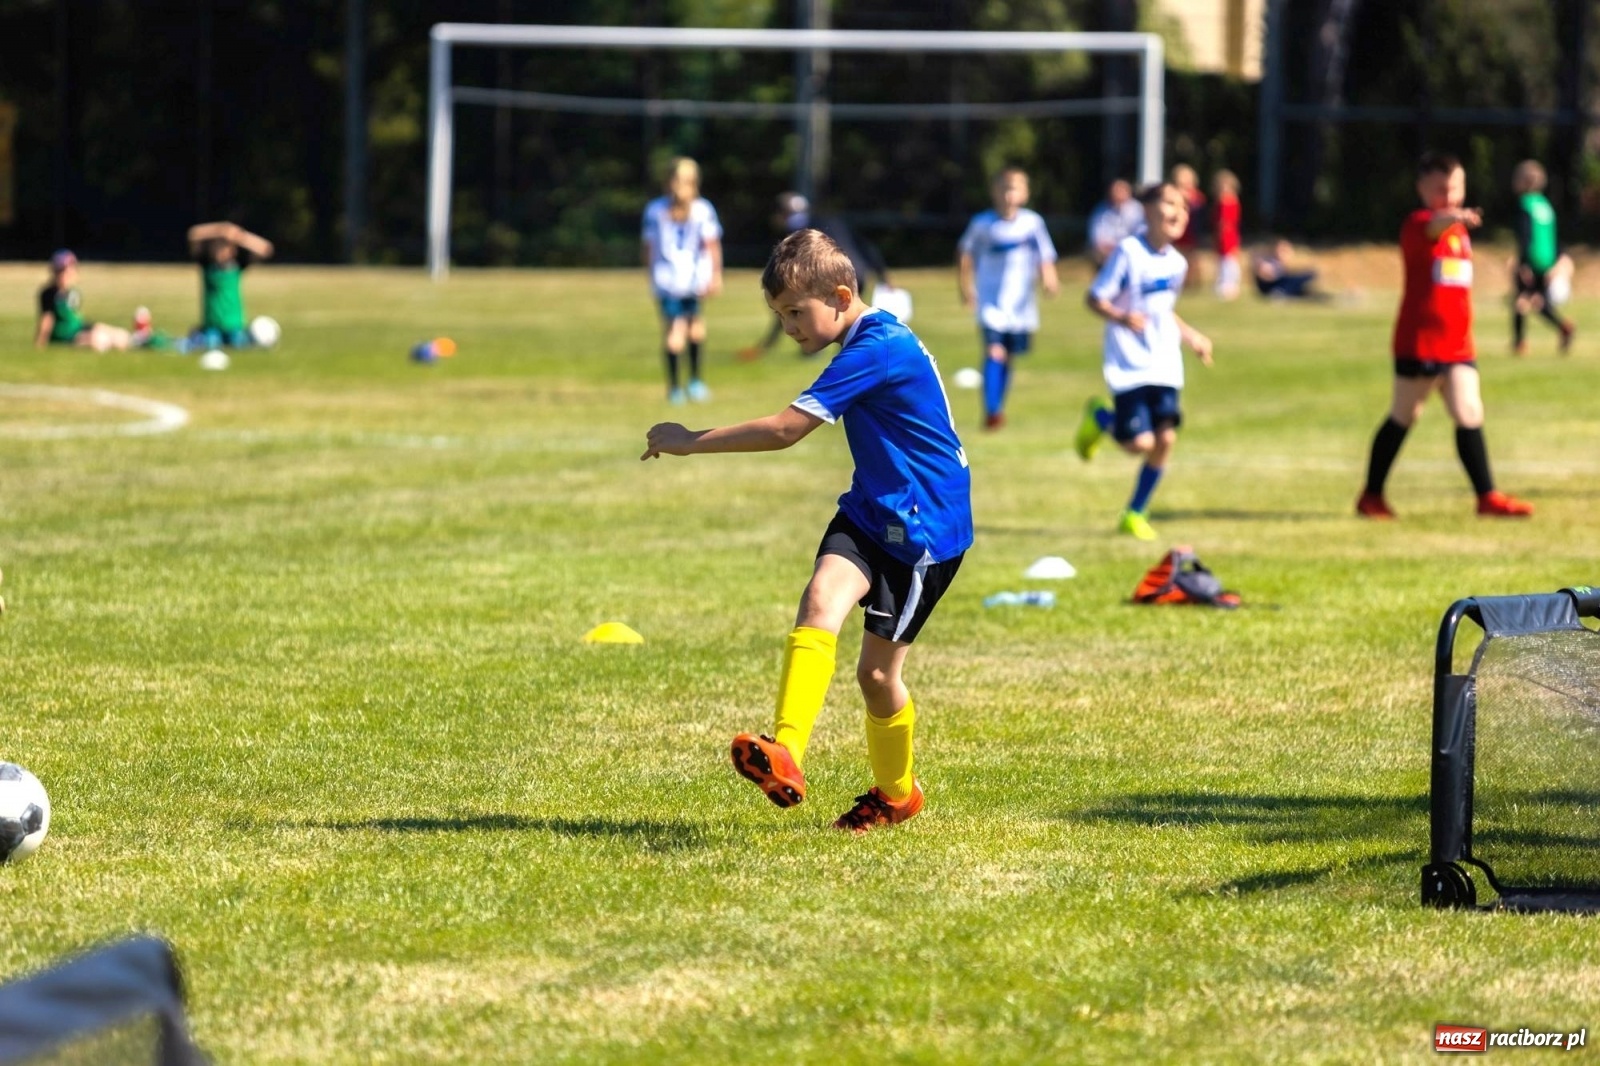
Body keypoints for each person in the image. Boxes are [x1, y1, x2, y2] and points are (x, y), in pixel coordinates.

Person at [642, 228, 971, 833]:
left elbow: (784, 430)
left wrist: (690, 442)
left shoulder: (876, 348)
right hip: (871, 510)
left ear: (842, 296)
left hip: (923, 530)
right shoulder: (867, 336)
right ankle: (786, 750)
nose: (790, 326)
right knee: (820, 599)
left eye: (796, 312)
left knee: (876, 677)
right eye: (779, 314)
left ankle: (898, 793)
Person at [1357, 152, 1533, 520]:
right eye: (1442, 189)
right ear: (1422, 188)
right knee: (1404, 415)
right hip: (1420, 342)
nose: (1450, 196)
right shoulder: (1419, 224)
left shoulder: (1459, 233)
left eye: (1456, 188)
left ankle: (1487, 497)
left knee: (1469, 411)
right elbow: (1434, 225)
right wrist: (1453, 217)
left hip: (1457, 344)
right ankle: (1371, 496)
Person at [1073, 183, 1214, 542]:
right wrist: (1121, 318)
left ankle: (1135, 512)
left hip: (1165, 362)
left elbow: (1164, 311)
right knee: (1139, 444)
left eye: (1183, 206)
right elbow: (1094, 298)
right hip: (1129, 363)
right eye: (1169, 203)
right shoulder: (1129, 253)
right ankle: (1101, 418)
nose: (1178, 212)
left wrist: (1192, 336)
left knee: (1165, 438)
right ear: (1148, 211)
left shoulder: (1178, 263)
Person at [956, 166, 1060, 430]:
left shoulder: (1032, 223)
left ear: (1024, 194)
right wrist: (964, 286)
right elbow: (965, 254)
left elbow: (1045, 254)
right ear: (994, 192)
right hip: (990, 301)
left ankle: (997, 407)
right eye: (1003, 189)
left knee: (1008, 356)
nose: (1007, 195)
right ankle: (992, 409)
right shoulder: (982, 224)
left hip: (1021, 305)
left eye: (1013, 189)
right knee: (994, 351)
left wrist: (1049, 277)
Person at [738, 191, 894, 361]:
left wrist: (766, 345)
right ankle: (849, 353)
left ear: (781, 214)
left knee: (801, 308)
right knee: (848, 320)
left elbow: (789, 299)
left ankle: (819, 352)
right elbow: (867, 247)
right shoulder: (832, 221)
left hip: (831, 277)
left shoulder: (799, 237)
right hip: (859, 273)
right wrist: (883, 277)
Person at [641, 157, 723, 403]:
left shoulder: (655, 209)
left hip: (666, 279)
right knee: (695, 326)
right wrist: (716, 274)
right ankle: (696, 382)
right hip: (695, 277)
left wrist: (651, 273)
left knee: (674, 330)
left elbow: (648, 248)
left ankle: (675, 388)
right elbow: (711, 245)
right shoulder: (703, 208)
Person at [1509, 159, 1575, 356]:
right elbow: (1553, 237)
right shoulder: (1546, 207)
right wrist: (1557, 261)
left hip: (1532, 260)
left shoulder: (1525, 205)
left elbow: (1525, 236)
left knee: (1521, 302)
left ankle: (1519, 344)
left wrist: (1523, 263)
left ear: (1525, 182)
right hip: (1547, 261)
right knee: (1537, 301)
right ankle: (1563, 326)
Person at [33, 250, 150, 352]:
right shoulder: (49, 294)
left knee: (120, 334)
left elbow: (76, 319)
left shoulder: (73, 292)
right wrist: (40, 343)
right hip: (66, 337)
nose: (66, 275)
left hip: (80, 329)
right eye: (62, 271)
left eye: (69, 271)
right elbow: (46, 320)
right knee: (97, 339)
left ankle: (142, 339)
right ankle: (134, 341)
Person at [186, 221, 274, 348]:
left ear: (233, 250)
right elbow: (193, 234)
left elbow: (266, 249)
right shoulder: (207, 265)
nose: (220, 250)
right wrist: (219, 230)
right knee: (210, 344)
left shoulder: (236, 266)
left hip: (234, 326)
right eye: (217, 246)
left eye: (224, 246)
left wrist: (239, 236)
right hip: (212, 327)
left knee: (239, 345)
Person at [1086, 178, 1145, 265]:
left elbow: (1140, 234)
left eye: (1121, 191)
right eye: (1115, 191)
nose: (1117, 194)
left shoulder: (1137, 210)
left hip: (1130, 252)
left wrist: (1123, 249)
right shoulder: (1101, 210)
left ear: (1128, 192)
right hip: (1106, 254)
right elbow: (1096, 237)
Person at [1252, 238, 1325, 300]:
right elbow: (1264, 273)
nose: (1286, 253)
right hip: (1272, 286)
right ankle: (1280, 292)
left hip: (1279, 285)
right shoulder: (1270, 262)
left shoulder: (1280, 263)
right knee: (1302, 277)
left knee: (1305, 277)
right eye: (1283, 250)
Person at [1212, 170, 1243, 300]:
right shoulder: (1222, 202)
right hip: (1224, 236)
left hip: (1228, 235)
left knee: (1229, 261)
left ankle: (1229, 285)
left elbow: (1226, 221)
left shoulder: (1229, 202)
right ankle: (1225, 284)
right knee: (1223, 261)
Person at [1170, 164, 1207, 270]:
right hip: (1177, 232)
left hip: (1191, 231)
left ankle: (1191, 277)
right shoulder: (1172, 194)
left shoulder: (1197, 197)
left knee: (1190, 256)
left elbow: (1199, 213)